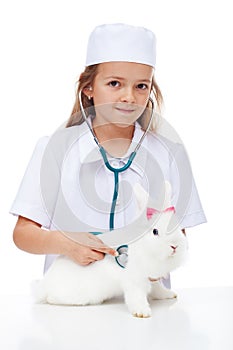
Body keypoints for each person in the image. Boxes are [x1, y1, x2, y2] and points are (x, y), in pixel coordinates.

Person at [10, 23, 206, 276]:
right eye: (115, 83)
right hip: (74, 300)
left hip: (143, 305)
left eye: (141, 86)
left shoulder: (169, 154)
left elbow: (177, 235)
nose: (129, 97)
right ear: (88, 88)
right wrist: (65, 243)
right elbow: (23, 234)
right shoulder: (54, 149)